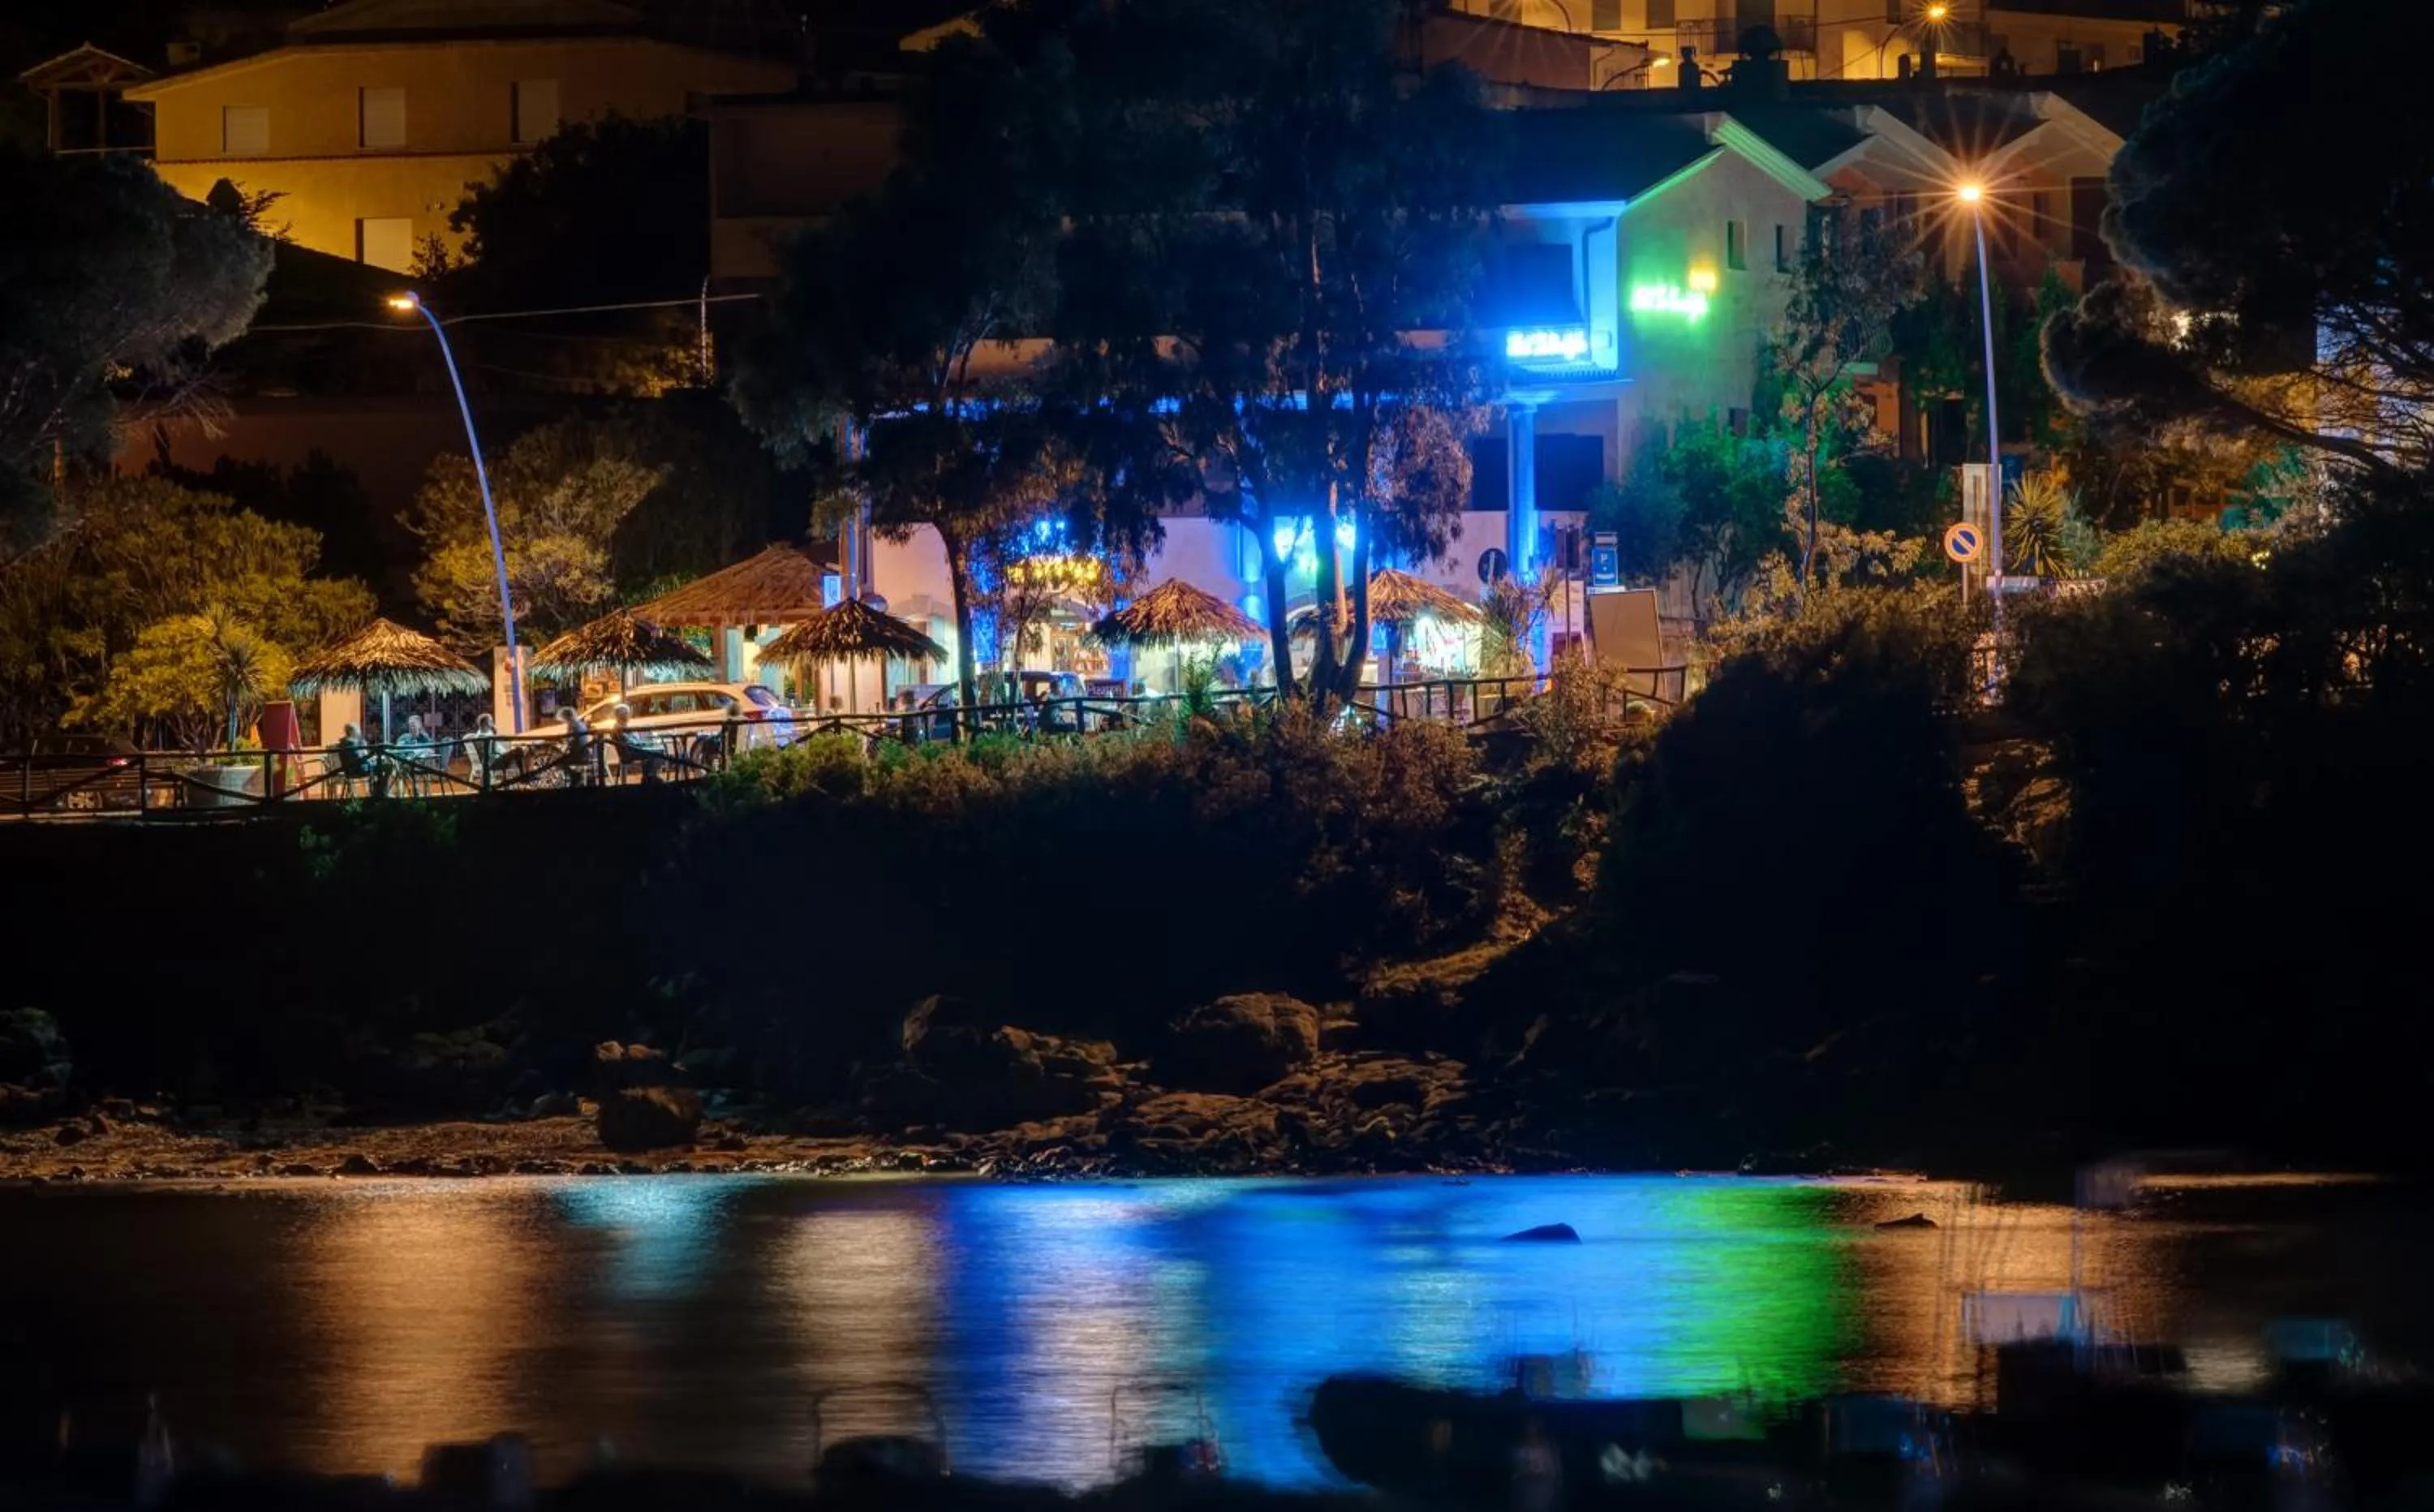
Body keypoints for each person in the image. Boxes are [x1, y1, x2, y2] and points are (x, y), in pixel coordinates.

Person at [331, 722, 378, 797]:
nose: (359, 733)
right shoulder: (352, 744)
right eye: (358, 731)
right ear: (353, 732)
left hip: (350, 770)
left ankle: (377, 792)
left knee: (381, 765)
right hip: (359, 770)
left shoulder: (344, 743)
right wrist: (370, 756)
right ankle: (380, 793)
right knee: (386, 765)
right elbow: (360, 759)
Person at [463, 712, 501, 788]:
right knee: (521, 751)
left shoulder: (485, 735)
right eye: (491, 721)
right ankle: (524, 779)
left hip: (493, 759)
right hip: (495, 761)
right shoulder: (484, 737)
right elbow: (492, 753)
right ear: (485, 723)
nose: (493, 723)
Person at [559, 707, 592, 786]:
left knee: (559, 761)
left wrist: (562, 743)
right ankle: (575, 777)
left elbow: (570, 741)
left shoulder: (573, 726)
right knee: (561, 759)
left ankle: (574, 778)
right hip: (584, 753)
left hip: (578, 755)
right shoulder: (580, 724)